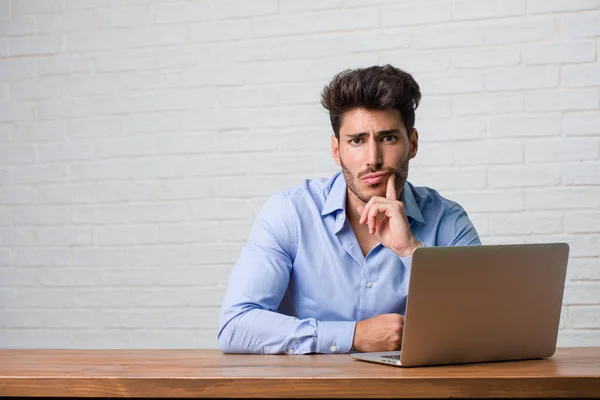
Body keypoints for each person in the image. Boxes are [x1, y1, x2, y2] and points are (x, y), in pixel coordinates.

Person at [217, 65, 481, 355]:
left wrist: (412, 253)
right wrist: (353, 336)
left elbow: (483, 326)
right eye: (357, 141)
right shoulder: (290, 213)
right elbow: (236, 326)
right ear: (336, 150)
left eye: (388, 138)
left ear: (413, 143)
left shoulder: (448, 220)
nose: (373, 159)